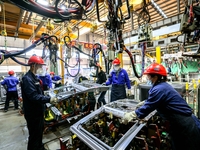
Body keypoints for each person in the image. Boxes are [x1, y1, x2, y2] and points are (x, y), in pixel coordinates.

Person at [122, 63, 200, 150]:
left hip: (184, 125)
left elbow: (148, 107)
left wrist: (133, 114)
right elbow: (155, 101)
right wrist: (145, 102)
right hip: (182, 122)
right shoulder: (162, 86)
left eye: (149, 76)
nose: (148, 78)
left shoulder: (159, 89)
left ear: (155, 77)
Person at [21, 55, 57, 150]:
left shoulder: (34, 77)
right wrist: (48, 99)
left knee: (39, 132)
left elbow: (38, 92)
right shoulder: (27, 79)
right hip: (33, 113)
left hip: (38, 111)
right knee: (34, 135)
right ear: (33, 66)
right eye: (40, 66)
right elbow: (33, 96)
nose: (41, 68)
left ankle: (40, 147)